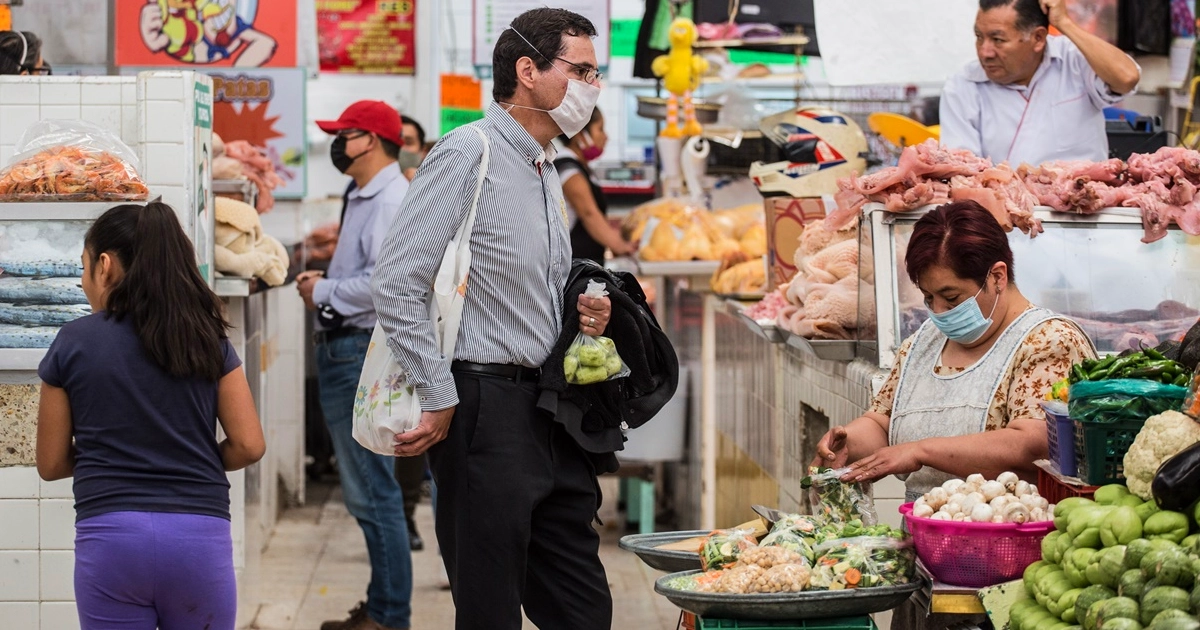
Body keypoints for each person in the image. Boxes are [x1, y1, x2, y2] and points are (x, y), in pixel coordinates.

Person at [372, 8, 614, 630]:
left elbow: (539, 283)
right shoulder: (467, 154)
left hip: (548, 409)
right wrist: (439, 392)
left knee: (582, 606)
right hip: (482, 407)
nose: (592, 85)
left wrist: (582, 307)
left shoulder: (545, 166)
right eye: (581, 69)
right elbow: (398, 281)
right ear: (528, 70)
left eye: (595, 71)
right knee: (490, 609)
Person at [811, 201, 1096, 627]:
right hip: (925, 571)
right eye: (929, 298)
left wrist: (922, 451)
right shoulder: (925, 340)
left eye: (952, 297)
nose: (940, 313)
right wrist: (849, 444)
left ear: (997, 276)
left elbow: (1033, 441)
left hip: (1004, 578)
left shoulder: (1048, 342)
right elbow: (883, 421)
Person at [35, 201, 265, 629]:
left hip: (111, 541)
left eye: (84, 267)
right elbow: (249, 445)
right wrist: (188, 459)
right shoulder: (205, 337)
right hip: (199, 538)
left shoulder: (72, 342)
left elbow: (50, 464)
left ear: (104, 266)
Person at [297, 100, 413, 630]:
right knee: (366, 490)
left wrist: (322, 289)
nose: (337, 144)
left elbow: (384, 286)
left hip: (360, 351)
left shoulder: (390, 200)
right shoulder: (362, 194)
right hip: (345, 347)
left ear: (371, 139)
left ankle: (390, 616)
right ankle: (382, 604)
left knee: (373, 490)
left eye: (344, 134)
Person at [939, 0, 1141, 165]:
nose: (985, 52)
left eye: (998, 39)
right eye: (979, 37)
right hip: (1001, 208)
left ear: (1038, 38)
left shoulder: (1073, 59)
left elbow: (1127, 78)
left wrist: (1065, 23)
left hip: (1083, 205)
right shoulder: (963, 85)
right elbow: (961, 170)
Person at [554, 106, 637, 263]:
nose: (606, 137)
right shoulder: (568, 170)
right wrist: (620, 246)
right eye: (600, 129)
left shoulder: (582, 167)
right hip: (573, 266)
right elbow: (589, 214)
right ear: (580, 135)